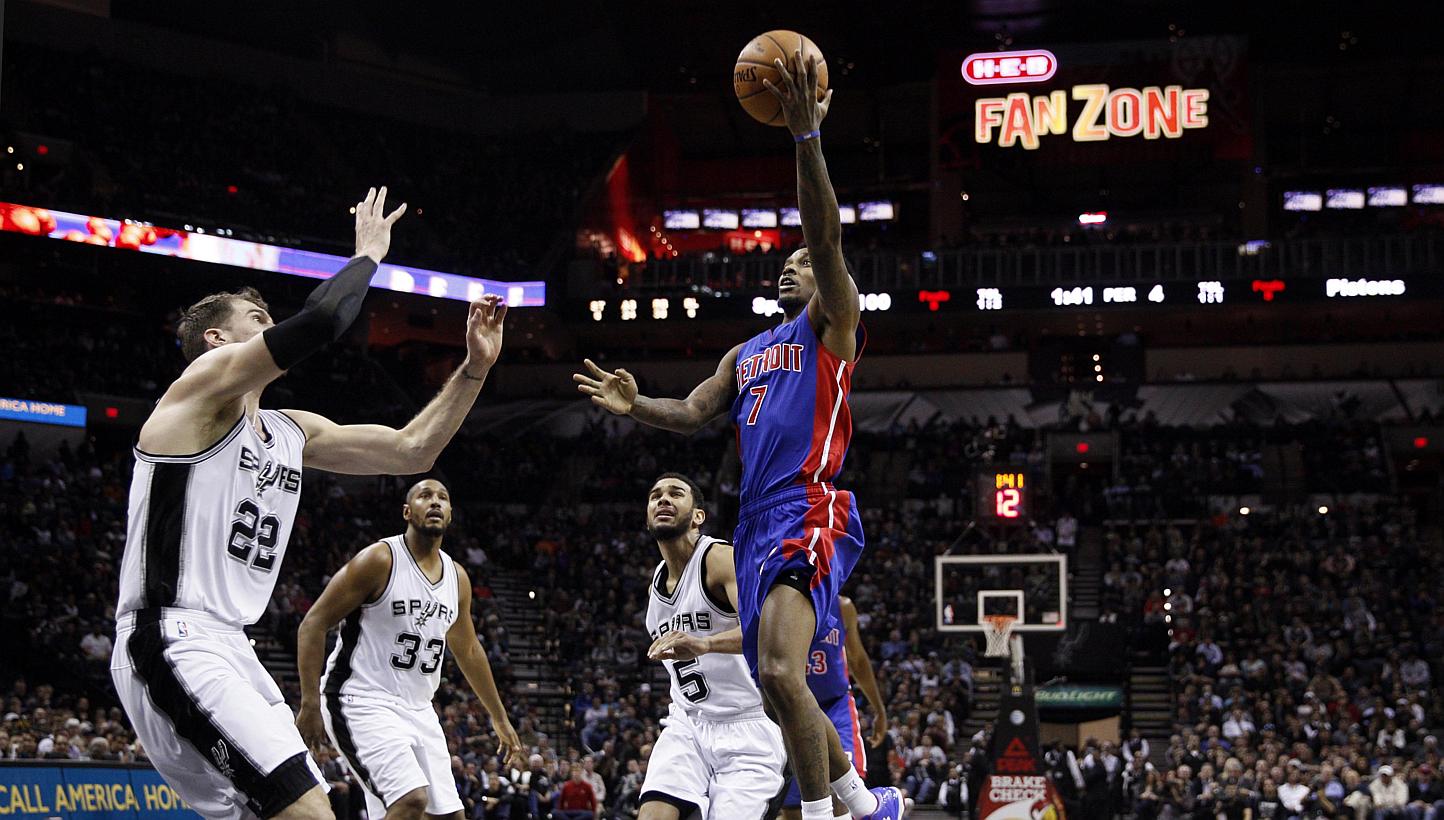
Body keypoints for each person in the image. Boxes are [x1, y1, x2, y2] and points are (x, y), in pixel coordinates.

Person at [110, 187, 508, 820]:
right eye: (257, 315)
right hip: (171, 634)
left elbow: (413, 450)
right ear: (217, 340)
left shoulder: (291, 431)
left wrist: (474, 369)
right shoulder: (197, 393)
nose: (271, 320)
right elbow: (321, 321)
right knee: (305, 810)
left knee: (281, 808)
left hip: (231, 646)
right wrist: (368, 257)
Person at [574, 51, 901, 820]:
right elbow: (692, 413)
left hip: (806, 507)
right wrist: (636, 405)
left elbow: (825, 241)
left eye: (802, 262)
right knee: (773, 675)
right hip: (754, 523)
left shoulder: (833, 325)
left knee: (784, 674)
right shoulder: (746, 352)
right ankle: (863, 799)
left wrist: (805, 139)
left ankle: (828, 813)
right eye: (785, 263)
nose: (792, 267)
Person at [294, 479, 523, 820]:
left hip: (419, 708)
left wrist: (499, 717)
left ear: (450, 514)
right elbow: (312, 623)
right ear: (407, 511)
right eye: (425, 496)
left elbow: (469, 649)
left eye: (443, 498)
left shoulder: (457, 578)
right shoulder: (379, 560)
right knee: (410, 801)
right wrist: (309, 702)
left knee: (448, 817)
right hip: (361, 699)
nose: (435, 502)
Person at [634, 473, 786, 819]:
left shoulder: (718, 559)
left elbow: (765, 634)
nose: (663, 500)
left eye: (676, 494)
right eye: (655, 495)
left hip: (747, 726)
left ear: (697, 516)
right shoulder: (656, 585)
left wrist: (704, 644)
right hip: (687, 723)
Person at [779, 596, 893, 820]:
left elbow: (858, 660)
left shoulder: (842, 606)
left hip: (834, 706)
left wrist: (879, 709)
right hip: (790, 709)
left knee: (842, 792)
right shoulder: (778, 603)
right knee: (794, 808)